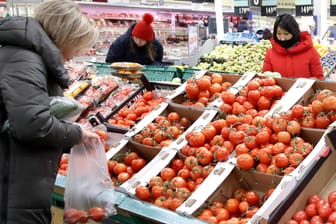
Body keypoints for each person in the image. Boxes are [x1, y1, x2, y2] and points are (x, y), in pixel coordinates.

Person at [0, 0, 100, 223]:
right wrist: (75, 134)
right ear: (65, 36)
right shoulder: (24, 60)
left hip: (19, 178)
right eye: (77, 45)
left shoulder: (27, 57)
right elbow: (33, 125)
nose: (76, 55)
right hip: (14, 186)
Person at [262, 14, 324, 80]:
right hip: (277, 90)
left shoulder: (310, 52)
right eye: (279, 34)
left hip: (305, 90)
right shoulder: (271, 53)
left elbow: (319, 78)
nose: (282, 38)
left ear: (294, 32)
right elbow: (265, 78)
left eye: (286, 34)